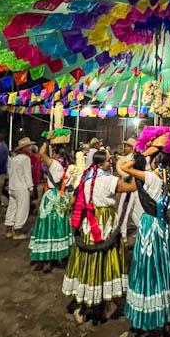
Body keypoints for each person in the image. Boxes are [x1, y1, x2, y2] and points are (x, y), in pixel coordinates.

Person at [123, 135, 170, 337]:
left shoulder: (151, 177)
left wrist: (148, 150)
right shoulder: (167, 174)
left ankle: (155, 332)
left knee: (150, 274)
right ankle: (164, 318)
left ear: (155, 158)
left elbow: (125, 166)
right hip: (163, 229)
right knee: (163, 271)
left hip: (150, 228)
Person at [62, 150, 136, 323]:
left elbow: (73, 202)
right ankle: (107, 303)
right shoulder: (109, 180)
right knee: (106, 259)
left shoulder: (84, 178)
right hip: (105, 224)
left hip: (89, 222)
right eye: (109, 161)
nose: (111, 163)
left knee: (88, 260)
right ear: (103, 164)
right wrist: (133, 169)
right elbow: (132, 187)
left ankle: (82, 306)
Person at [29, 143, 75, 273]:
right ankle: (60, 255)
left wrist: (47, 141)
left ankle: (47, 259)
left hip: (52, 197)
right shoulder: (67, 165)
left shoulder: (55, 164)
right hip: (62, 196)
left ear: (57, 154)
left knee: (48, 227)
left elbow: (41, 153)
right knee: (59, 226)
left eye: (53, 152)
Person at [6, 137, 35, 240]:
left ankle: (9, 229)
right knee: (22, 209)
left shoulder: (14, 159)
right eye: (29, 146)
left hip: (13, 186)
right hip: (21, 187)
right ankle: (17, 232)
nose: (30, 148)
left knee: (12, 208)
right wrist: (31, 187)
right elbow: (27, 174)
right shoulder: (26, 159)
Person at [117, 138, 144, 242]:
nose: (125, 148)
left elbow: (125, 171)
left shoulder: (130, 159)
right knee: (135, 209)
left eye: (127, 146)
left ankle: (122, 232)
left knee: (125, 209)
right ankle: (138, 228)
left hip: (129, 186)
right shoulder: (138, 157)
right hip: (137, 186)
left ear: (132, 147)